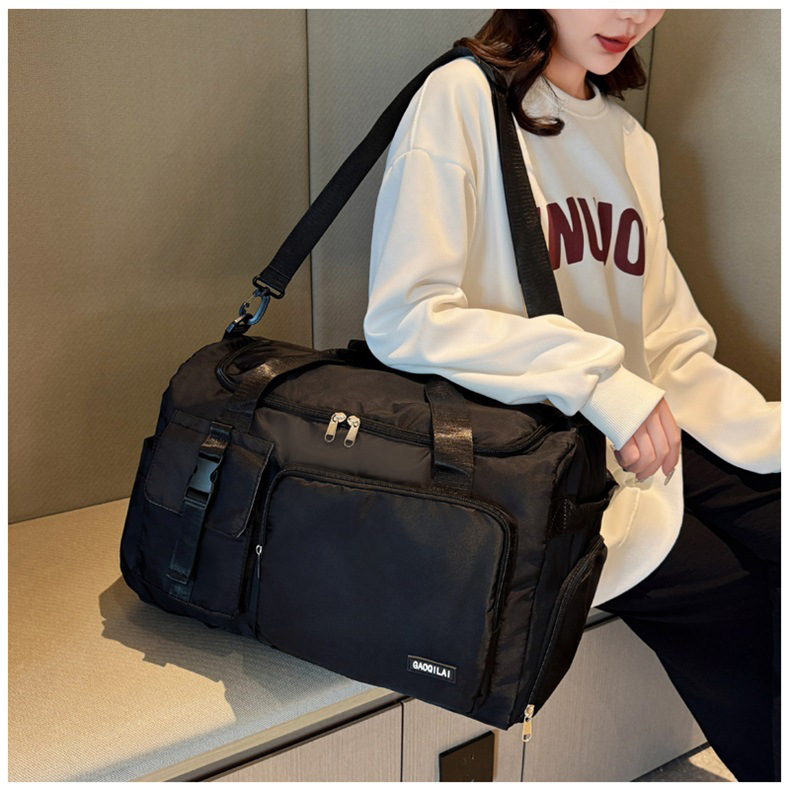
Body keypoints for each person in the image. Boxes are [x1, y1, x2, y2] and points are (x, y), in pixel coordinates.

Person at [363, 9, 781, 782]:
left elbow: (666, 340)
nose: (634, 13)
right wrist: (595, 378)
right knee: (735, 597)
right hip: (541, 460)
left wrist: (763, 431)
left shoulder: (628, 140)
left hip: (641, 433)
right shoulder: (463, 97)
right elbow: (406, 316)